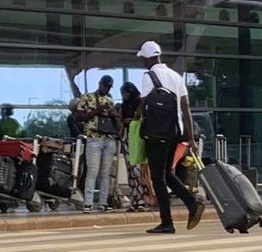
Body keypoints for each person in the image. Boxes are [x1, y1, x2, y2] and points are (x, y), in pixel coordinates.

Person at [136, 40, 205, 233]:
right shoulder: (176, 76)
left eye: (143, 59)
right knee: (166, 173)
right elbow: (185, 107)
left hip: (155, 132)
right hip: (174, 132)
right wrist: (190, 137)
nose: (143, 62)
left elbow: (143, 104)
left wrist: (135, 116)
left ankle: (167, 222)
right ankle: (192, 204)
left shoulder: (149, 76)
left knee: (158, 177)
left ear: (148, 59)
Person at [72, 75, 120, 211]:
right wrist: (97, 111)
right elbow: (79, 116)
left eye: (109, 87)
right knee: (92, 172)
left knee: (105, 173)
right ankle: (88, 203)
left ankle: (103, 203)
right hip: (93, 138)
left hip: (108, 138)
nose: (107, 89)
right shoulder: (87, 98)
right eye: (105, 86)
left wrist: (113, 114)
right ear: (100, 84)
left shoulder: (109, 100)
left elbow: (115, 120)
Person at [119, 81, 150, 211]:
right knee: (131, 170)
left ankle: (142, 199)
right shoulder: (124, 106)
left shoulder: (140, 104)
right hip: (127, 138)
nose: (124, 96)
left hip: (137, 137)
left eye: (125, 93)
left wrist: (130, 120)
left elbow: (140, 118)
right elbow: (121, 121)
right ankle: (134, 199)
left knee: (138, 170)